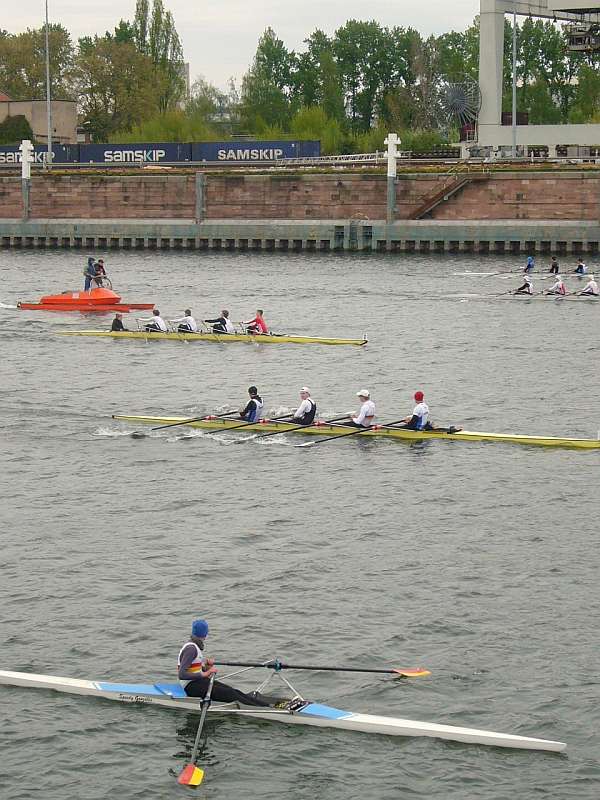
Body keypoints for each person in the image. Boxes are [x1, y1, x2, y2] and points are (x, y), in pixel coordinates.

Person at [178, 619, 272, 707]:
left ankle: (266, 705)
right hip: (190, 687)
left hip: (197, 682)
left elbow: (195, 670)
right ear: (205, 633)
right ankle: (263, 709)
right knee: (229, 694)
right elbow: (182, 674)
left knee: (233, 691)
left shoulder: (194, 646)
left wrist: (207, 667)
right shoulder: (191, 649)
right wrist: (206, 673)